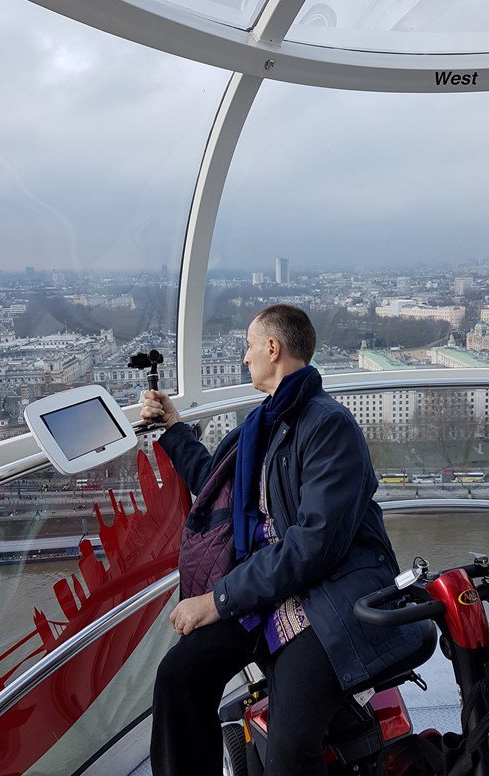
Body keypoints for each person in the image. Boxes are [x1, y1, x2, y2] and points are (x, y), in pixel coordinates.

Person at [140, 304, 422, 776]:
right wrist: (173, 431)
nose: (245, 358)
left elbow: (316, 544)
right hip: (267, 594)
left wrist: (218, 599)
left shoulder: (328, 426)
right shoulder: (263, 426)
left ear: (273, 348)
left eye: (249, 347)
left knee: (290, 748)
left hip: (325, 599)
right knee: (178, 677)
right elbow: (216, 480)